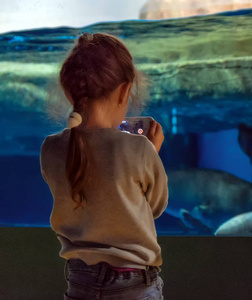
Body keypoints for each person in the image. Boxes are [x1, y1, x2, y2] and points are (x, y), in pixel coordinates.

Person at [40, 32, 168, 300]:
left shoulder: (50, 149)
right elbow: (153, 208)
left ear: (68, 90)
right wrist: (151, 153)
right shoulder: (139, 149)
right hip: (133, 284)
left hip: (79, 281)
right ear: (124, 90)